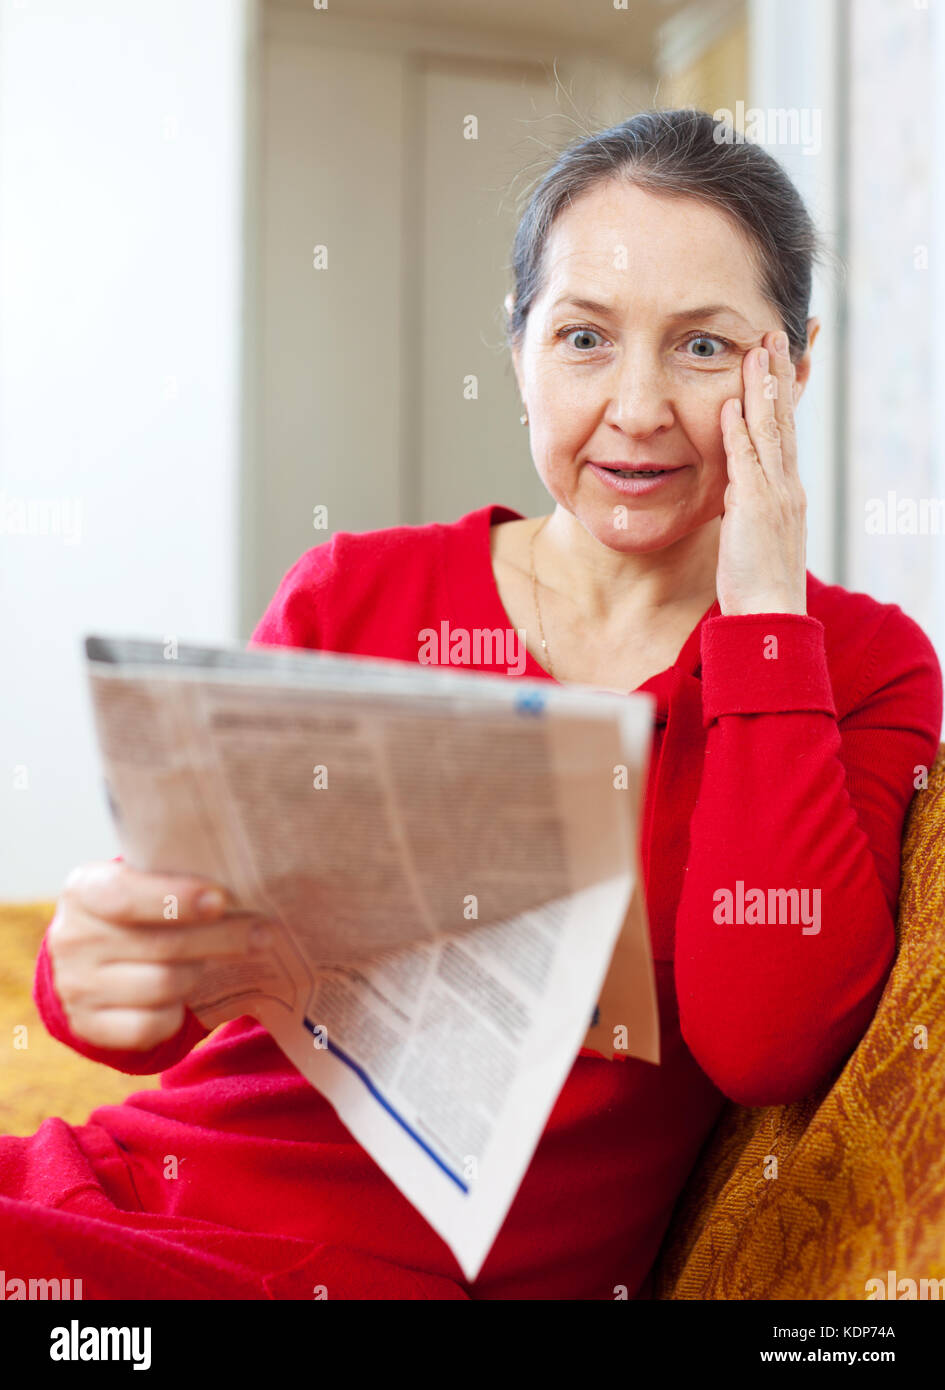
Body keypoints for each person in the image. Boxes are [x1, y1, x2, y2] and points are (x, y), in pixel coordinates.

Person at [2, 108, 941, 1300]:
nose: (639, 406)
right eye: (584, 338)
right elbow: (179, 983)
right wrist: (91, 973)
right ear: (518, 353)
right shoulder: (355, 591)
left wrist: (760, 612)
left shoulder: (856, 663)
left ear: (792, 367)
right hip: (121, 1202)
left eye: (705, 349)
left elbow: (766, 1037)